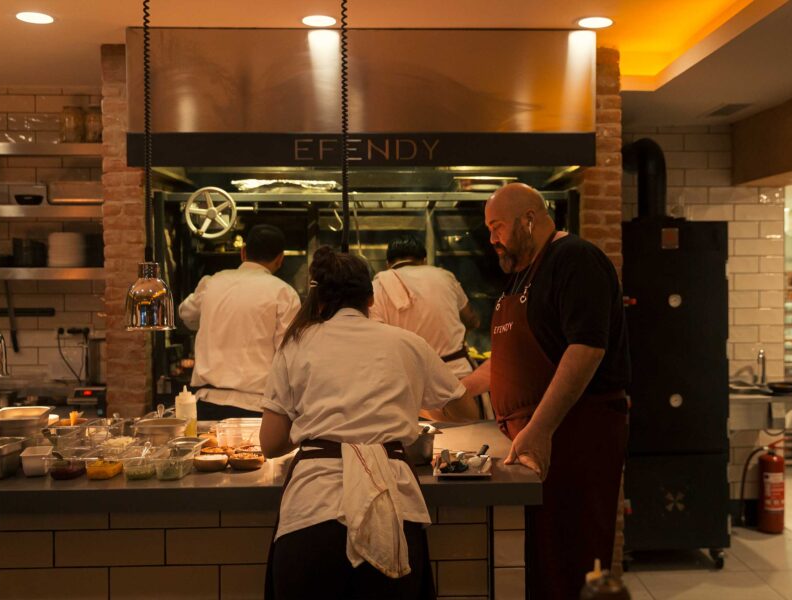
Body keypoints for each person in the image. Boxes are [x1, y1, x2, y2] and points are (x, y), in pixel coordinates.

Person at [260, 246, 479, 600]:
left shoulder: (296, 345)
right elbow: (466, 409)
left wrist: (312, 425)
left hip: (312, 514)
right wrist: (411, 407)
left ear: (316, 297)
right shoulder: (408, 343)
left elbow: (270, 444)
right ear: (371, 297)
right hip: (394, 509)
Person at [461, 183, 631, 599]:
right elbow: (508, 356)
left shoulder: (575, 259)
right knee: (544, 557)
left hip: (577, 433)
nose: (491, 239)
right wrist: (449, 390)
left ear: (529, 219)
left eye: (496, 226)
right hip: (535, 436)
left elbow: (587, 349)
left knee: (573, 551)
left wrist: (540, 428)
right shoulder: (521, 276)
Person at [179, 224, 301, 419]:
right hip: (258, 408)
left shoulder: (212, 282)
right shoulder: (284, 293)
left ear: (243, 252)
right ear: (280, 259)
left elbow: (186, 314)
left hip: (208, 405)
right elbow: (287, 355)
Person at [370, 234, 480, 379]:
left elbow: (374, 341)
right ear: (424, 260)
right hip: (457, 376)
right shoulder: (445, 276)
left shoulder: (377, 286)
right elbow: (471, 320)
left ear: (388, 264)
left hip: (410, 381)